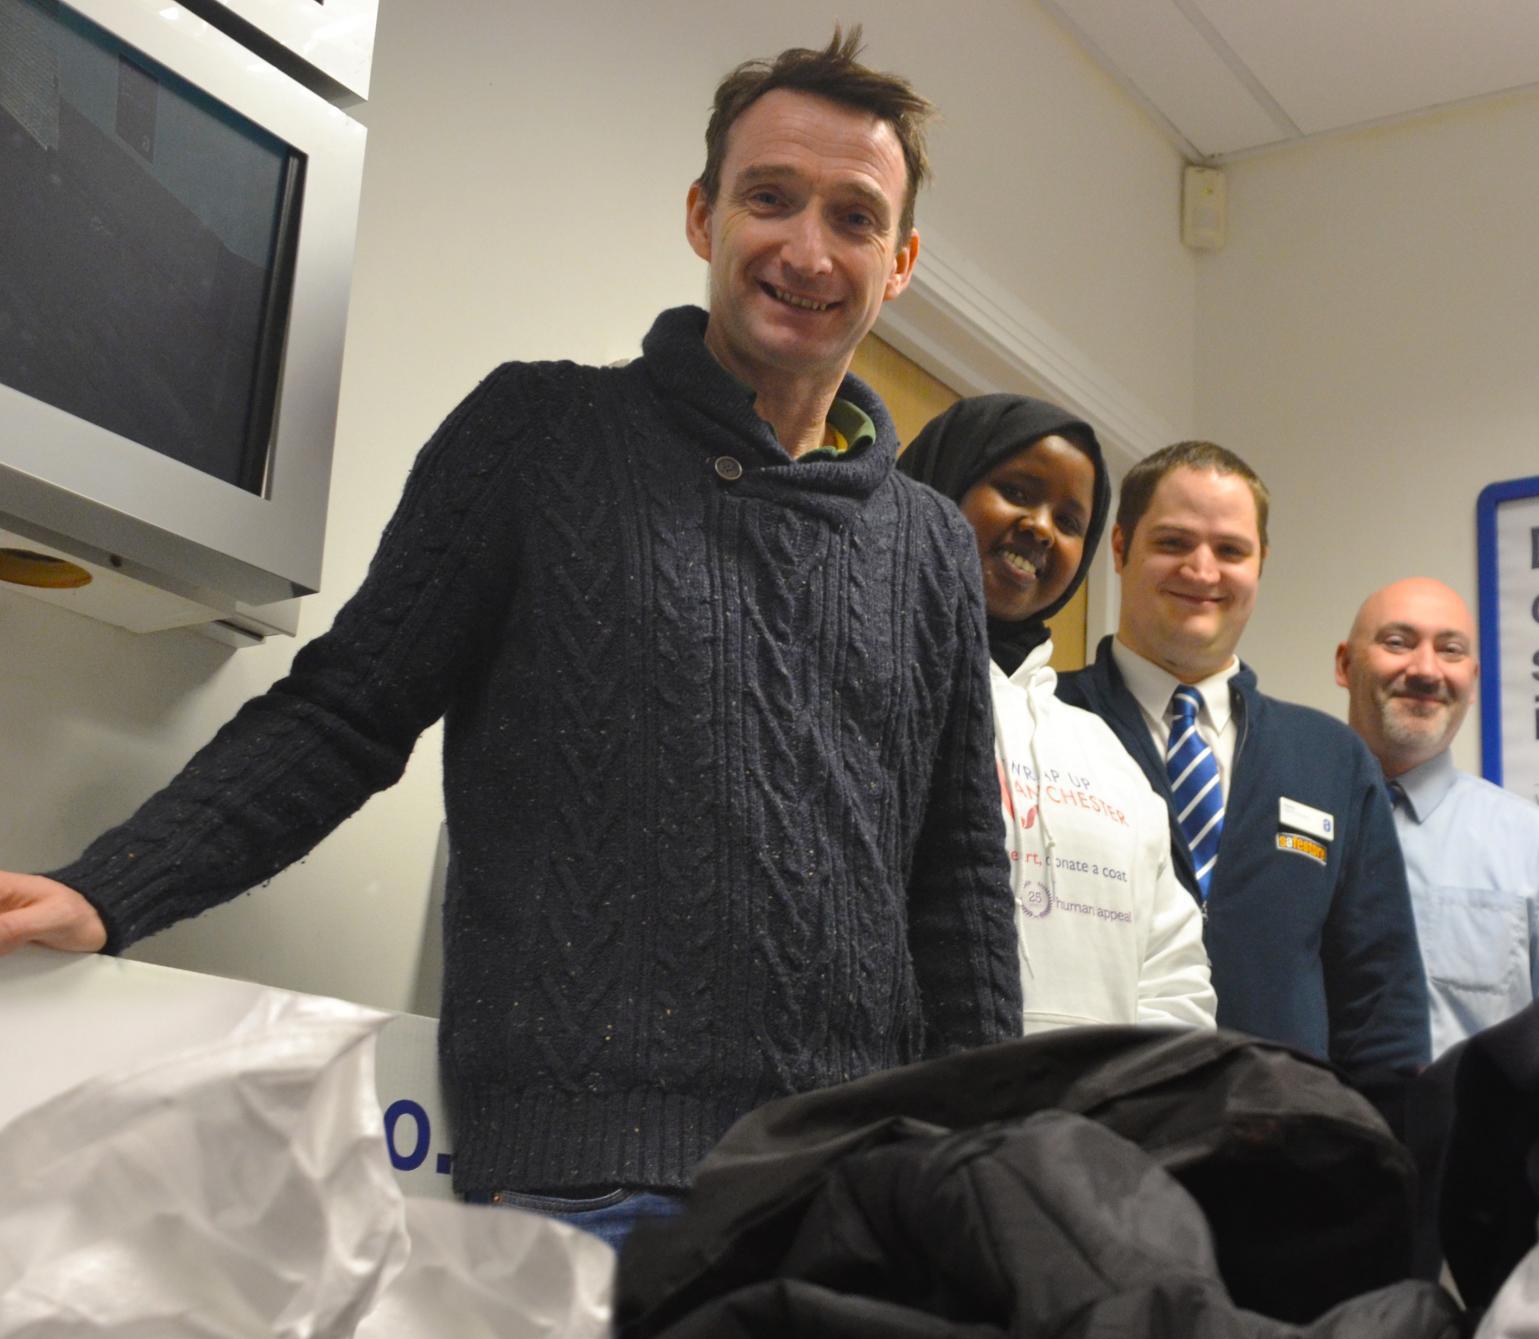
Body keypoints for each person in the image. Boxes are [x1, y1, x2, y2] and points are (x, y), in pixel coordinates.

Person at [0, 29, 1020, 1239]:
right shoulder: (537, 434)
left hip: (866, 1193)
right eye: (769, 198)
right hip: (590, 1180)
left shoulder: (930, 545)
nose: (806, 248)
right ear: (702, 216)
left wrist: (991, 1163)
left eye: (853, 218)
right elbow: (346, 711)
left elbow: (957, 881)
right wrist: (111, 889)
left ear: (897, 263)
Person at [1057, 442, 1429, 1097]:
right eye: (1173, 541)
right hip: (1079, 1142)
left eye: (1231, 550)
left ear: (1260, 564)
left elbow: (1380, 1000)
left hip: (1283, 1161)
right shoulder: (1045, 721)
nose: (1202, 570)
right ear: (1119, 549)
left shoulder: (1330, 758)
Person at [897, 394, 1216, 1031]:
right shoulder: (860, 688)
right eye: (1016, 490)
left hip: (1096, 1122)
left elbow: (1174, 978)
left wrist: (1138, 1114)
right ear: (939, 486)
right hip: (900, 1115)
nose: (1042, 528)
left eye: (1070, 521)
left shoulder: (1106, 754)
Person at [1336, 577, 1539, 1057]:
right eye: (1398, 643)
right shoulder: (1272, 822)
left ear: (1472, 680)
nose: (1426, 670)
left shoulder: (1538, 849)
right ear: (1345, 664)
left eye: (1451, 651)